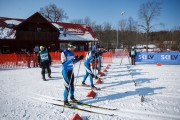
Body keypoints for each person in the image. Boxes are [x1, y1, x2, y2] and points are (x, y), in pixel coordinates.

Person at [61, 42, 84, 106]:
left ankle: (72, 97)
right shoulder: (64, 53)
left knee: (71, 85)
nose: (74, 49)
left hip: (71, 70)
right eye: (73, 48)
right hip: (65, 71)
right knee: (67, 86)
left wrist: (78, 59)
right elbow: (64, 63)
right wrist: (72, 59)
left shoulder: (72, 53)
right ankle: (65, 101)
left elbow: (73, 62)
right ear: (70, 47)